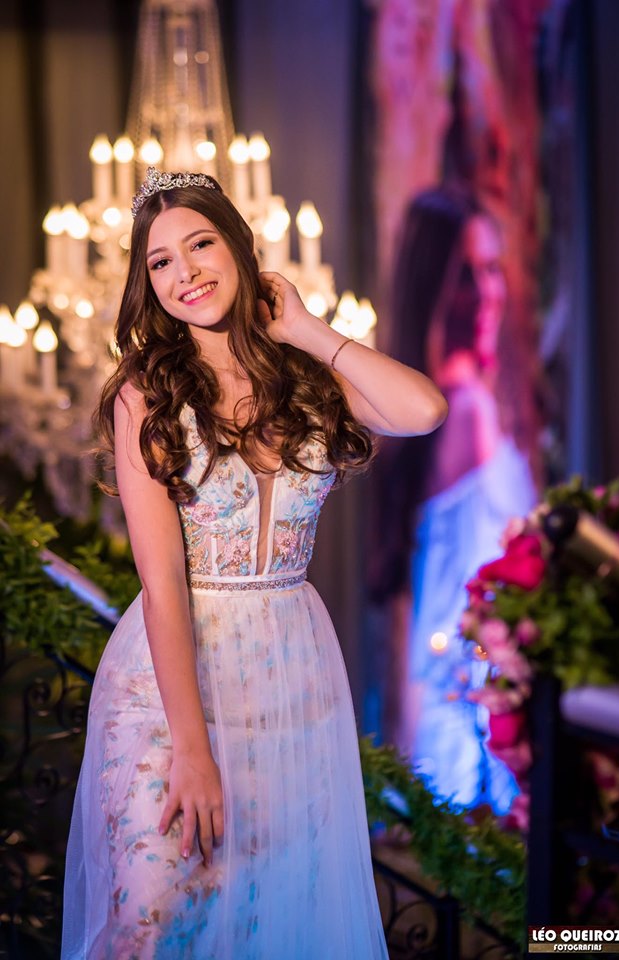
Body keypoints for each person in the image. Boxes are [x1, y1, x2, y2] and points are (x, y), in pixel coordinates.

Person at [61, 166, 448, 959]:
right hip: (169, 692)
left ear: (240, 249)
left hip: (287, 682)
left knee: (264, 925)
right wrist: (191, 748)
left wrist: (305, 328)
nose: (184, 272)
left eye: (200, 245)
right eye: (160, 261)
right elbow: (161, 583)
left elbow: (424, 409)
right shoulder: (146, 394)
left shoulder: (307, 379)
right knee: (151, 927)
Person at [372, 185, 536, 812]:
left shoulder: (426, 406)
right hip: (473, 712)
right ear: (433, 289)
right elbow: (468, 595)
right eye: (468, 275)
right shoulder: (464, 408)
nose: (489, 292)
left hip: (456, 696)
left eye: (492, 270)